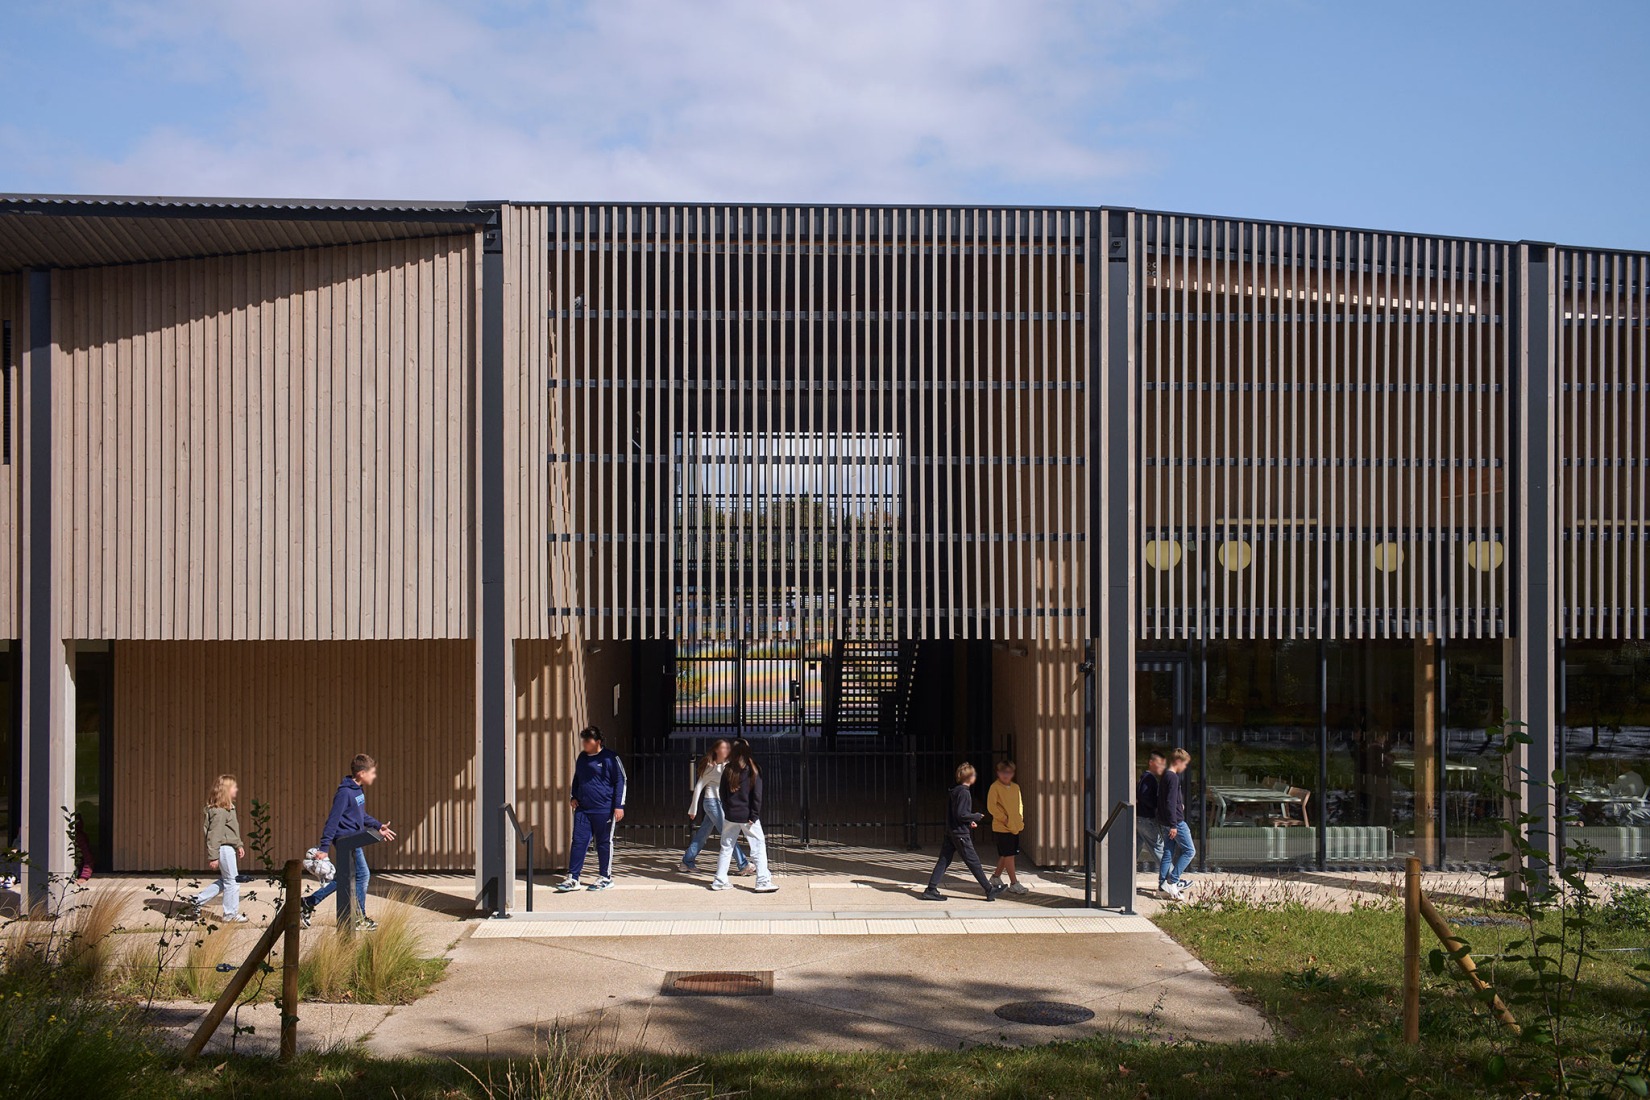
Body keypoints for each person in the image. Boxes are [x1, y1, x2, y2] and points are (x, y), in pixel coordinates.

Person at [302, 754, 396, 929]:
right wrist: (324, 847)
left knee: (345, 879)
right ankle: (359, 917)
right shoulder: (345, 793)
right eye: (372, 773)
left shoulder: (358, 791)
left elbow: (361, 816)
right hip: (345, 841)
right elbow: (333, 820)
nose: (374, 776)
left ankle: (308, 902)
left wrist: (378, 825)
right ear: (361, 773)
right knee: (362, 875)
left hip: (354, 839)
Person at [556, 726, 627, 892]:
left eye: (588, 740)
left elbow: (621, 781)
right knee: (579, 841)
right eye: (583, 740)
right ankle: (573, 877)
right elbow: (577, 778)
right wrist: (573, 796)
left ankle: (605, 877)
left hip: (604, 809)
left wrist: (619, 806)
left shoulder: (610, 758)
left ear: (598, 742)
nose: (585, 744)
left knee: (603, 842)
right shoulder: (582, 757)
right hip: (583, 809)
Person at [920, 763, 1004, 902]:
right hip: (960, 834)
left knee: (944, 860)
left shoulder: (955, 790)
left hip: (952, 831)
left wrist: (968, 820)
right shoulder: (964, 792)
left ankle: (931, 889)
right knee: (973, 862)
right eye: (974, 775)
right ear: (969, 777)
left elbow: (956, 813)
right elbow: (961, 814)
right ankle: (989, 890)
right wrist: (974, 816)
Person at [710, 738, 778, 893]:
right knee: (758, 846)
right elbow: (757, 795)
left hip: (731, 815)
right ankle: (762, 881)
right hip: (748, 816)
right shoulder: (753, 769)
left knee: (726, 847)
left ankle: (719, 880)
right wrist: (754, 815)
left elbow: (722, 793)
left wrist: (727, 810)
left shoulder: (728, 769)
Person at [681, 738, 749, 875]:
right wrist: (693, 807)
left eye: (728, 748)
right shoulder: (711, 767)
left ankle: (687, 861)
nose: (727, 750)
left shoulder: (727, 764)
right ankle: (743, 864)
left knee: (702, 834)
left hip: (719, 803)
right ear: (716, 750)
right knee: (728, 833)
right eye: (723, 748)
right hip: (712, 803)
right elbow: (699, 786)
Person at [188, 775, 247, 924]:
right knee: (232, 881)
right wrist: (213, 856)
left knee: (227, 880)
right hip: (224, 849)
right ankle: (230, 914)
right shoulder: (220, 811)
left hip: (228, 847)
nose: (237, 789)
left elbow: (231, 831)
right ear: (226, 790)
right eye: (234, 787)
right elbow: (214, 835)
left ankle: (197, 900)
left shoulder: (228, 809)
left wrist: (239, 844)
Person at [1156, 747, 1196, 899]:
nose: (1185, 767)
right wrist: (1173, 824)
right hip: (1176, 822)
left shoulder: (1166, 775)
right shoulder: (1173, 777)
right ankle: (1173, 881)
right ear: (1178, 762)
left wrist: (1179, 805)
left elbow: (1167, 800)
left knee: (1168, 852)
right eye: (1184, 764)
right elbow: (1170, 802)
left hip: (1166, 821)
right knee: (1190, 851)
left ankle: (1162, 885)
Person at [986, 760, 1028, 895]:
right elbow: (991, 807)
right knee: (1009, 855)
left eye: (1009, 772)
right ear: (998, 773)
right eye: (1003, 772)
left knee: (1007, 854)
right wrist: (1004, 819)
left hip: (1015, 825)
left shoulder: (1016, 787)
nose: (1006, 775)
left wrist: (1019, 818)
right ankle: (1014, 883)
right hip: (1002, 827)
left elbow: (1019, 804)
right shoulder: (995, 787)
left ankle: (996, 877)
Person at [1137, 750, 1167, 871]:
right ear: (1151, 762)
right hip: (1146, 819)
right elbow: (1143, 796)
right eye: (1159, 763)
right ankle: (1173, 879)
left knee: (1134, 850)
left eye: (1163, 764)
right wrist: (1157, 804)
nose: (1162, 766)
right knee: (1159, 848)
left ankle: (1123, 879)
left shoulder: (1145, 777)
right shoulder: (1149, 778)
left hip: (1140, 819)